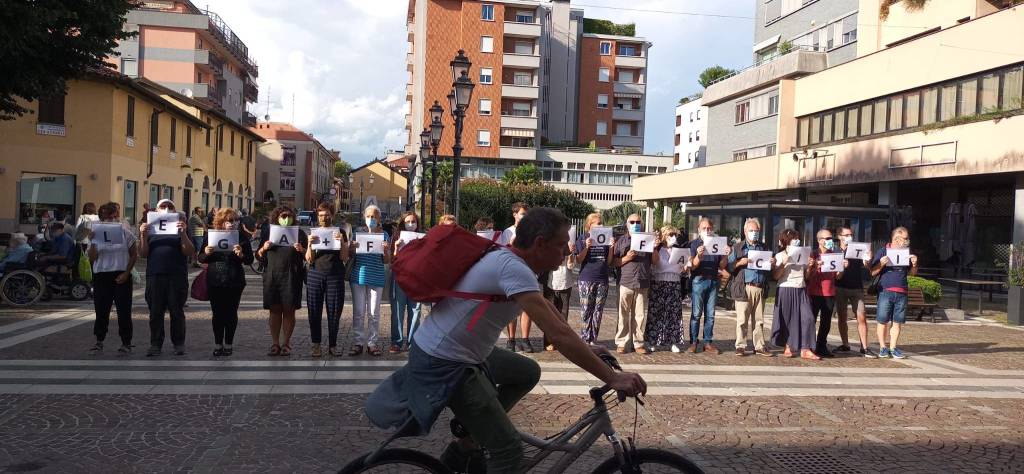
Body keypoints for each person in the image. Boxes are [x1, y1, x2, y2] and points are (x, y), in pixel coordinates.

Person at [365, 207, 647, 474]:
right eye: (561, 244)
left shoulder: (515, 263)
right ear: (540, 243)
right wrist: (611, 378)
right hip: (447, 360)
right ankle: (478, 438)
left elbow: (550, 313)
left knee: (527, 371)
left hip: (463, 351)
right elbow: (558, 336)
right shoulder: (512, 267)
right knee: (509, 450)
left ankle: (469, 442)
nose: (566, 250)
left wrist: (586, 347)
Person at [139, 199, 195, 356]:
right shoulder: (150, 227)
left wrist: (183, 233)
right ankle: (155, 344)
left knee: (176, 311)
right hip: (155, 274)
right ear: (156, 210)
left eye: (170, 207)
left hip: (176, 274)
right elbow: (142, 253)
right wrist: (143, 235)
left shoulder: (181, 226)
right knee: (155, 311)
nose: (166, 209)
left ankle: (178, 343)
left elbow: (189, 251)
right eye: (163, 206)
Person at [199, 208, 253, 357]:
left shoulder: (241, 236)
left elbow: (249, 260)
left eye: (235, 220)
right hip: (215, 279)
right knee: (217, 313)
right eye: (229, 221)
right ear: (221, 222)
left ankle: (228, 343)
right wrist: (207, 253)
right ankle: (218, 343)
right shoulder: (211, 235)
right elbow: (200, 258)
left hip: (235, 279)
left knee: (231, 313)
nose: (232, 224)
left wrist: (241, 254)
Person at [256, 205, 308, 357]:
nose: (286, 219)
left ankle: (286, 343)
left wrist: (302, 250)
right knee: (275, 310)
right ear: (277, 218)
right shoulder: (268, 232)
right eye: (283, 216)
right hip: (272, 275)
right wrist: (264, 248)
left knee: (289, 311)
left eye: (289, 216)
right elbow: (258, 256)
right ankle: (275, 343)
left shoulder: (299, 233)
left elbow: (308, 256)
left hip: (292, 276)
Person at [87, 203, 137, 354]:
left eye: (113, 216)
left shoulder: (125, 232)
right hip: (101, 274)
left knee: (124, 310)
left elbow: (134, 254)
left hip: (121, 274)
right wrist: (93, 242)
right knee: (101, 310)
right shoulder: (95, 234)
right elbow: (92, 258)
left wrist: (127, 272)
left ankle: (126, 342)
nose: (110, 219)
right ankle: (99, 340)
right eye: (106, 217)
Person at [305, 203, 349, 358]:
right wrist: (309, 244)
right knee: (314, 311)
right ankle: (315, 345)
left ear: (332, 215)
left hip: (335, 275)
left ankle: (333, 345)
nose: (324, 218)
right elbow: (309, 259)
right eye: (321, 215)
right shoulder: (313, 232)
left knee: (335, 311)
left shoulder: (340, 231)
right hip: (315, 274)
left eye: (327, 214)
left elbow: (344, 257)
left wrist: (342, 242)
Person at [348, 205, 392, 356]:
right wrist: (352, 248)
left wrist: (386, 250)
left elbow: (386, 260)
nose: (371, 219)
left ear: (379, 219)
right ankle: (358, 342)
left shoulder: (385, 235)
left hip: (377, 277)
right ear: (364, 217)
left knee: (374, 313)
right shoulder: (357, 233)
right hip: (358, 277)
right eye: (368, 216)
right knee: (359, 312)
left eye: (374, 216)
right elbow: (350, 255)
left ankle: (372, 343)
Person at [727, 219, 774, 357]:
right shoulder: (738, 247)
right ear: (745, 232)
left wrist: (772, 262)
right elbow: (729, 267)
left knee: (759, 320)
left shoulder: (764, 247)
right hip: (744, 287)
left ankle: (759, 346)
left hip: (759, 287)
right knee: (742, 319)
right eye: (751, 231)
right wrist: (739, 262)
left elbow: (770, 271)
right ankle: (740, 345)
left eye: (756, 231)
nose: (754, 233)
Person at [870, 227, 918, 359]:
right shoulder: (883, 250)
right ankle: (882, 347)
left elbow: (912, 274)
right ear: (896, 239)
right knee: (882, 320)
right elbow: (872, 272)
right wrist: (881, 264)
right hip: (885, 290)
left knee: (897, 321)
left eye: (907, 238)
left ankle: (893, 347)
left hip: (902, 291)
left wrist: (914, 264)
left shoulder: (907, 252)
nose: (907, 241)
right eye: (905, 238)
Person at [771, 229, 819, 360]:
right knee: (788, 319)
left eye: (797, 238)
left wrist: (810, 267)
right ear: (787, 241)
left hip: (801, 288)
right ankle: (788, 345)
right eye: (794, 238)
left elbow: (806, 276)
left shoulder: (803, 254)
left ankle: (806, 348)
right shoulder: (780, 255)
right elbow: (775, 276)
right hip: (785, 289)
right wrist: (783, 264)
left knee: (808, 317)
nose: (796, 241)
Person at [611, 213, 653, 354]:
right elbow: (613, 262)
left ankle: (638, 343)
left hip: (642, 282)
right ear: (627, 224)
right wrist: (627, 258)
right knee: (623, 315)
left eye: (638, 222)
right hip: (625, 281)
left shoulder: (648, 239)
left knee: (639, 316)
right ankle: (622, 342)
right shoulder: (621, 241)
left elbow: (655, 261)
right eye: (632, 222)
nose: (635, 224)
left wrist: (657, 246)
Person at [687, 218, 729, 354]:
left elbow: (722, 265)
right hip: (699, 280)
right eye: (704, 228)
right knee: (696, 314)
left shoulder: (718, 243)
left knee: (710, 315)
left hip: (713, 280)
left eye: (709, 228)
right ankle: (693, 342)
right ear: (699, 230)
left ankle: (708, 342)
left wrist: (726, 255)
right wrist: (699, 256)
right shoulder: (694, 244)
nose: (707, 231)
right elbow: (692, 266)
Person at [835, 227, 875, 357]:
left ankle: (864, 347)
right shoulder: (835, 250)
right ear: (839, 236)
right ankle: (845, 344)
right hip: (840, 287)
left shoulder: (857, 248)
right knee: (842, 317)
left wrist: (868, 259)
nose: (849, 237)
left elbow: (867, 266)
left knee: (861, 317)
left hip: (856, 287)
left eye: (851, 234)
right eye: (846, 235)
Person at [645, 225, 684, 352]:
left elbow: (683, 268)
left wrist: (686, 265)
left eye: (674, 235)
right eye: (670, 235)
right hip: (659, 283)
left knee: (673, 314)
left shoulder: (679, 250)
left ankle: (673, 341)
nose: (673, 237)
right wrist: (655, 248)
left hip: (674, 283)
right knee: (656, 313)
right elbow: (655, 263)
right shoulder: (659, 249)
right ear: (663, 236)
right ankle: (653, 340)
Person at [498, 202, 531, 352]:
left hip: (528, 270)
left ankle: (525, 338)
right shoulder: (508, 232)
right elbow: (502, 252)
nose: (525, 217)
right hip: (512, 272)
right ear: (515, 215)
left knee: (527, 307)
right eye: (523, 214)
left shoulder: (531, 231)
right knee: (512, 306)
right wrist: (511, 244)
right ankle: (511, 339)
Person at [575, 213, 610, 345]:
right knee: (586, 309)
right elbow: (578, 259)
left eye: (601, 223)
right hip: (587, 278)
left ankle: (593, 338)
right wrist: (587, 247)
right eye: (597, 223)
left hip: (602, 278)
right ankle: (584, 338)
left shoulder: (605, 238)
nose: (600, 225)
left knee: (598, 310)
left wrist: (611, 247)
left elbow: (609, 261)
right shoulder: (583, 238)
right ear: (589, 225)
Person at [390, 211, 422, 353]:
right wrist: (396, 248)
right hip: (400, 277)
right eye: (408, 222)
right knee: (397, 310)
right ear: (403, 223)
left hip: (416, 279)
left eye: (413, 221)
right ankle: (396, 342)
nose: (411, 224)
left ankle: (412, 342)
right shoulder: (396, 237)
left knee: (415, 310)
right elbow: (391, 260)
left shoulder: (422, 238)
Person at [807, 228, 842, 358]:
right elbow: (808, 276)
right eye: (827, 239)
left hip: (829, 293)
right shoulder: (813, 254)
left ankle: (821, 345)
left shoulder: (834, 254)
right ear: (819, 241)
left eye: (831, 239)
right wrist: (815, 266)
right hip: (814, 292)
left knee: (826, 322)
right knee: (811, 320)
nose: (830, 241)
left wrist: (842, 268)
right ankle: (809, 345)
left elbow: (838, 276)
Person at [542, 238, 575, 351]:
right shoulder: (550, 245)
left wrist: (570, 253)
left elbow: (571, 266)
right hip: (551, 283)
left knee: (563, 314)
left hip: (566, 283)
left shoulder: (570, 245)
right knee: (550, 313)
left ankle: (562, 342)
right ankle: (549, 341)